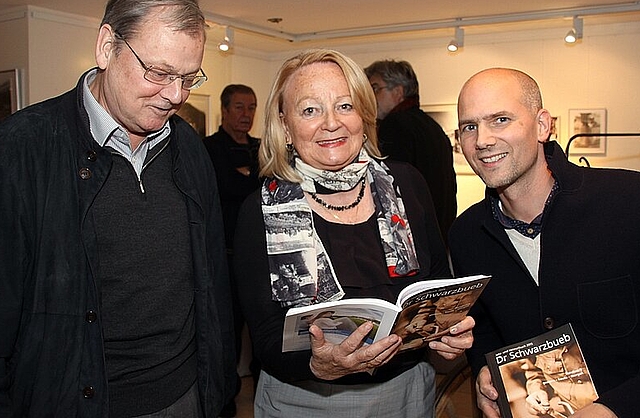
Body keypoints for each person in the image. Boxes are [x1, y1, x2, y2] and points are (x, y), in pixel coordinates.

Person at [0, 0, 236, 417]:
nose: (175, 96)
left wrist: (218, 391)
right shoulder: (22, 148)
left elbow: (212, 285)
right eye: (160, 72)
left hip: (187, 396)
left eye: (188, 78)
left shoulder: (188, 147)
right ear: (107, 46)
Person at [234, 49, 474, 418]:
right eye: (310, 110)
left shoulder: (407, 183)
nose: (331, 123)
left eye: (344, 106)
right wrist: (318, 366)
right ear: (284, 125)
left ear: (364, 113)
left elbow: (438, 287)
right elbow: (265, 336)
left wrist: (447, 330)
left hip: (408, 393)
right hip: (305, 400)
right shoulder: (259, 210)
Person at [449, 67, 640, 418]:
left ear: (542, 125)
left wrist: (615, 408)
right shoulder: (465, 236)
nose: (483, 140)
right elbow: (485, 333)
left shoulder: (629, 202)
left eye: (501, 119)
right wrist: (483, 376)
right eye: (469, 127)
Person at [202, 84, 261, 416]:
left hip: (258, 258)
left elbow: (270, 187)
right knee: (226, 333)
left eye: (251, 107)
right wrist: (250, 180)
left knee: (264, 329)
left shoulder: (260, 147)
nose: (246, 114)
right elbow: (229, 187)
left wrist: (247, 179)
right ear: (224, 111)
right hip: (224, 257)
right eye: (239, 107)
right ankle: (225, 401)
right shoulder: (209, 148)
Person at [364, 60, 457, 243]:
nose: (371, 97)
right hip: (439, 230)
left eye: (376, 88)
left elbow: (390, 189)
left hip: (413, 236)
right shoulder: (433, 127)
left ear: (398, 91)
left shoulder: (394, 125)